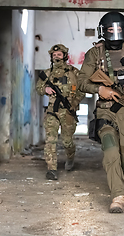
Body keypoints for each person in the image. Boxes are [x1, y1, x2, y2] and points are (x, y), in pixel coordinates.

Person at [77, 12, 124, 213]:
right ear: (104, 31)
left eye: (119, 28)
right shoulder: (95, 53)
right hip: (105, 110)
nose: (115, 33)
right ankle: (118, 196)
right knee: (110, 150)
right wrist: (99, 90)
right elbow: (81, 80)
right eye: (111, 29)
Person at [36, 44, 85, 180]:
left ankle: (70, 158)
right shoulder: (47, 73)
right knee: (50, 140)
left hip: (68, 111)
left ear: (65, 55)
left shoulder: (74, 72)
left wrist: (75, 103)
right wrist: (44, 89)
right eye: (54, 55)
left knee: (67, 141)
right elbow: (38, 87)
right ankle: (52, 169)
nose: (56, 57)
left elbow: (82, 89)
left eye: (59, 54)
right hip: (52, 110)